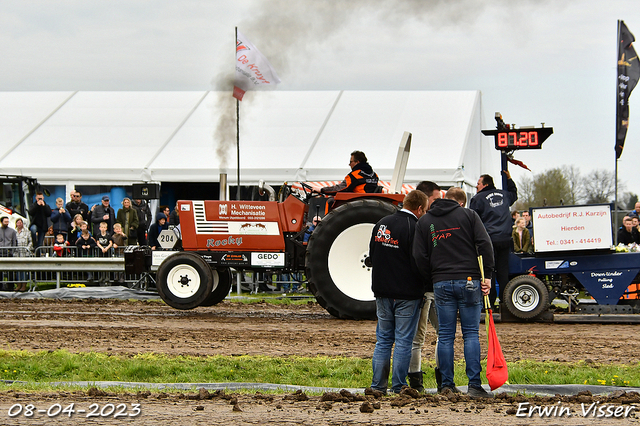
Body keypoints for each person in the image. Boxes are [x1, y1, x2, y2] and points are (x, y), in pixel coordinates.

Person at [413, 187, 495, 398]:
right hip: (469, 280)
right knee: (470, 334)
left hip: (441, 281)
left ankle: (447, 385)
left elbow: (419, 255)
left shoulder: (425, 222)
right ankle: (474, 385)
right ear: (460, 202)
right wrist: (487, 276)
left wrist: (431, 277)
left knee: (446, 335)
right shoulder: (469, 215)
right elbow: (485, 244)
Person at [369, 190, 428, 395]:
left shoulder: (382, 223)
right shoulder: (415, 227)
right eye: (425, 210)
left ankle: (377, 386)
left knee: (383, 339)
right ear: (419, 208)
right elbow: (418, 261)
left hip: (382, 290)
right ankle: (398, 386)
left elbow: (372, 255)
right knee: (403, 340)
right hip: (407, 293)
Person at [408, 180, 442, 392]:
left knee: (422, 337)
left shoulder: (421, 222)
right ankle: (436, 380)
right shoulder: (425, 224)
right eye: (436, 200)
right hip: (427, 287)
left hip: (426, 288)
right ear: (425, 199)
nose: (438, 204)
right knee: (437, 335)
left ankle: (419, 382)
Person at [469, 171, 518, 309]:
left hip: (488, 241)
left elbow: (473, 219)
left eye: (478, 183)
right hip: (505, 239)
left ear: (485, 184)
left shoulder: (478, 199)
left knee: (488, 272)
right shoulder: (504, 194)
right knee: (503, 271)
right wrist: (509, 179)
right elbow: (514, 193)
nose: (476, 186)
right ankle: (504, 302)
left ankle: (489, 302)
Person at [14, 218, 32, 291]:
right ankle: (18, 285)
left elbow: (30, 242)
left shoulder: (27, 231)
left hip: (24, 253)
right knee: (17, 269)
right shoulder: (14, 232)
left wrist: (27, 248)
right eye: (18, 222)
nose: (19, 224)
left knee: (24, 270)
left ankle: (24, 285)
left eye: (20, 222)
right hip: (17, 253)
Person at [0, 216, 18, 290]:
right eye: (5, 222)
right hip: (0, 253)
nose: (7, 223)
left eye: (8, 222)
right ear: (1, 222)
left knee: (10, 271)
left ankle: (10, 286)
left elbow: (14, 242)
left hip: (9, 253)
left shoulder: (12, 231)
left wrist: (12, 251)